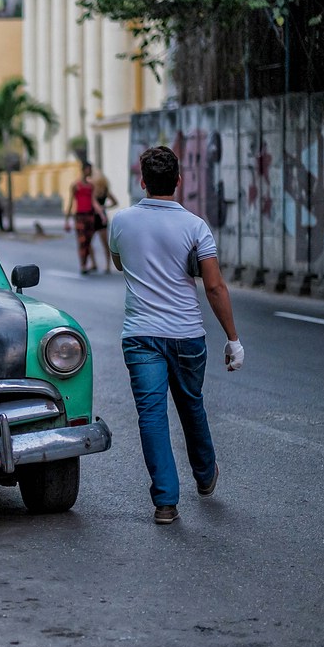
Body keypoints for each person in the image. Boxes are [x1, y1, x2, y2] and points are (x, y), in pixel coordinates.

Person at [108, 145, 244, 525]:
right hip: (187, 335)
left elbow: (120, 261)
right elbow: (215, 287)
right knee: (191, 405)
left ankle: (166, 502)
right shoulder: (195, 226)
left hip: (140, 337)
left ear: (142, 181)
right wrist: (233, 339)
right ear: (179, 181)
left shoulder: (120, 221)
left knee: (151, 416)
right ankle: (204, 475)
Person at [64, 161, 103, 274]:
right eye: (89, 169)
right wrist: (67, 221)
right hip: (80, 216)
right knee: (82, 241)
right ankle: (83, 265)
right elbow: (71, 202)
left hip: (90, 216)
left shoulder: (91, 186)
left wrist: (101, 214)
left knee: (88, 242)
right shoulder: (76, 185)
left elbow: (93, 201)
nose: (90, 172)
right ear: (84, 170)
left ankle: (86, 262)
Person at [92, 168, 120, 273]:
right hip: (100, 217)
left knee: (96, 243)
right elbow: (115, 202)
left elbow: (114, 202)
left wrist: (104, 207)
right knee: (104, 243)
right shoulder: (103, 190)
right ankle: (104, 264)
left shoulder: (97, 190)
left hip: (96, 217)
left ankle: (97, 263)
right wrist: (105, 207)